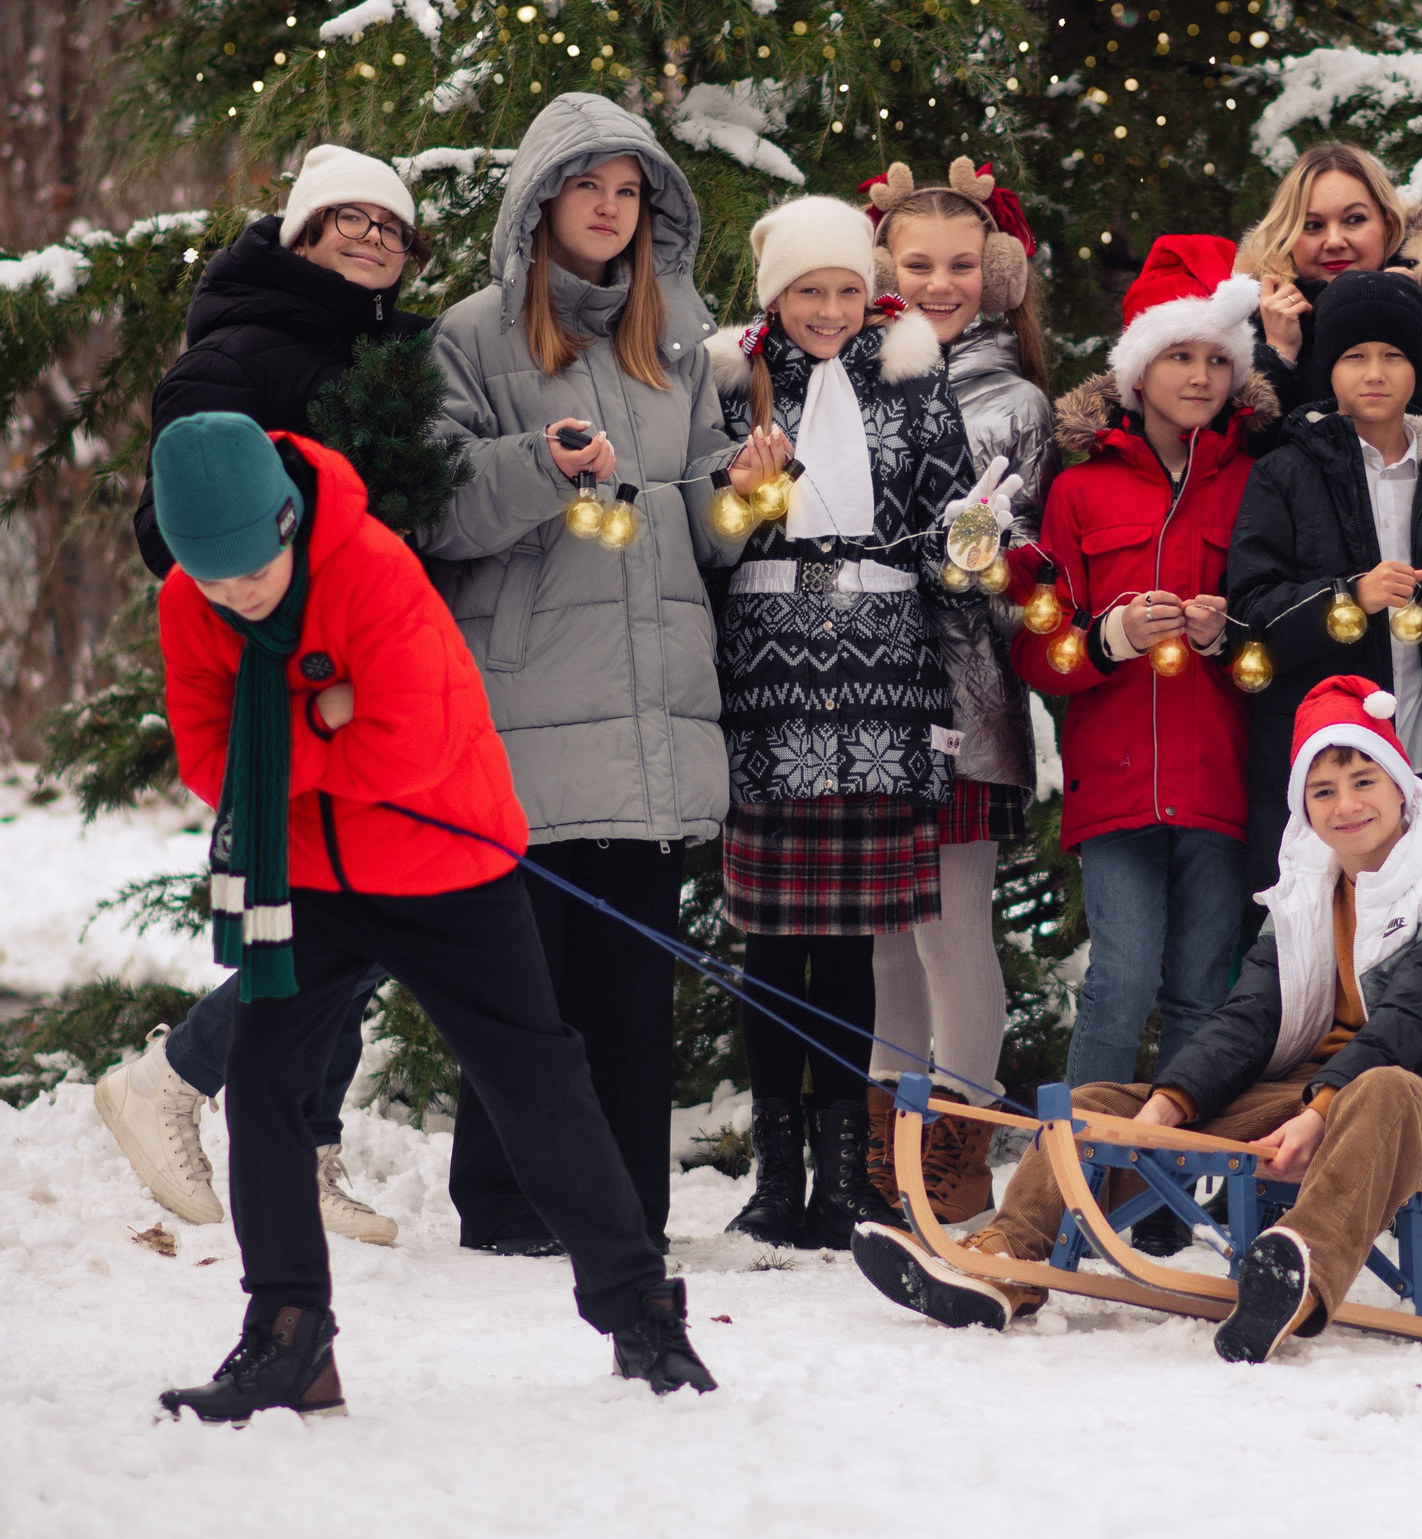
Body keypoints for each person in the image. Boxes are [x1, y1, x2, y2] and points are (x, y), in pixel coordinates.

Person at [150, 413, 713, 1422]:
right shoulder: (190, 603)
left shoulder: (371, 569)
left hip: (444, 865)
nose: (237, 598)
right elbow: (209, 760)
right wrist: (322, 712)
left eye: (253, 574)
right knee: (264, 1084)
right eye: (214, 583)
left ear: (286, 523)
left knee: (535, 1083)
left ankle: (641, 1313)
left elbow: (407, 746)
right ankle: (288, 1335)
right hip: (307, 878)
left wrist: (274, 736)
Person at [852, 675, 1422, 1362]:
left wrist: (1322, 1111)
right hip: (1309, 1092)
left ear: (1400, 787)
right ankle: (1002, 1261)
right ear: (1304, 807)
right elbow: (1247, 1017)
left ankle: (1293, 1274)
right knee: (1096, 1105)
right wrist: (1170, 1102)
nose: (1346, 805)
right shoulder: (1304, 895)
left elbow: (1411, 1023)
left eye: (1363, 781)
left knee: (1381, 1088)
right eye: (1323, 791)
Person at [419, 94, 741, 1257]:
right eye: (589, 187)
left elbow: (710, 535)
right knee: (529, 986)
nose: (609, 209)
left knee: (633, 987)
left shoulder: (677, 341)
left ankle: (626, 1213)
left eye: (629, 192)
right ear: (542, 199)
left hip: (653, 707)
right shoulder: (472, 336)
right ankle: (510, 1208)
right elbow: (438, 506)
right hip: (528, 704)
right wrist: (539, 465)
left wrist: (747, 488)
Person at [101, 143, 432, 1247]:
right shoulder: (235, 350)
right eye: (352, 220)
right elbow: (170, 525)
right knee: (325, 909)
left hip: (372, 670)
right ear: (302, 233)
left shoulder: (389, 353)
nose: (375, 240)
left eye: (393, 227)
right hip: (288, 677)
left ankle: (295, 1138)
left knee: (354, 904)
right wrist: (272, 612)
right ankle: (178, 1081)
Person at [704, 194, 980, 1251]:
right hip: (768, 682)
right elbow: (704, 535)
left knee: (855, 947)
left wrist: (975, 541)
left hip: (882, 683)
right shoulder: (727, 383)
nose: (829, 309)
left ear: (872, 293)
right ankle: (780, 1177)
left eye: (847, 290)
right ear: (775, 295)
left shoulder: (915, 383)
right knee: (776, 943)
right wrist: (742, 496)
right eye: (808, 291)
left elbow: (951, 529)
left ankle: (846, 1179)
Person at [1009, 235, 1273, 1088]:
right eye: (1178, 356)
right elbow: (1038, 649)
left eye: (1217, 359)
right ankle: (1088, 1160)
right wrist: (1110, 639)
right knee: (1120, 984)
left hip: (1219, 782)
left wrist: (1224, 639)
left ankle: (1176, 1166)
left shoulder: (1255, 482)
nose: (1200, 376)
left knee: (1201, 991)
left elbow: (1277, 632)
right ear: (1136, 368)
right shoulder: (1080, 489)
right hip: (1116, 785)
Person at [855, 156, 1057, 1223]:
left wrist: (977, 541)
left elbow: (1016, 557)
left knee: (950, 927)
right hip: (859, 692)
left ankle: (960, 1152)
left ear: (998, 275)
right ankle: (892, 1153)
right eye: (918, 264)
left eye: (962, 266)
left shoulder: (1013, 400)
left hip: (958, 695)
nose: (940, 284)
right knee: (888, 934)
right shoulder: (844, 377)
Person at [1225, 270, 1422, 893]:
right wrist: (1349, 597)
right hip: (1326, 776)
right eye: (1354, 356)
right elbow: (1248, 621)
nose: (1374, 373)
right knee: (1324, 939)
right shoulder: (1285, 471)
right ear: (1328, 368)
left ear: (1419, 367)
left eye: (1394, 355)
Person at [1239, 142, 1422, 416]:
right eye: (1312, 225)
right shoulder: (1248, 331)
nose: (1334, 241)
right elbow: (1238, 437)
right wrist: (1277, 354)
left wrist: (1399, 321)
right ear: (1287, 235)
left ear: (1387, 225)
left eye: (1354, 219)